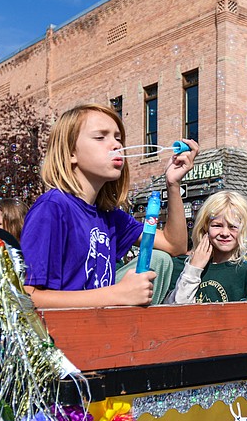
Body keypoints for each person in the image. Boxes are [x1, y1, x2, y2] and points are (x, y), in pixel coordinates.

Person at [19, 104, 197, 308]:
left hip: (98, 334)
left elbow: (175, 245)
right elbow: (26, 297)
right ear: (70, 153)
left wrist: (173, 184)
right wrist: (116, 294)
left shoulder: (109, 216)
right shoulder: (52, 208)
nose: (116, 145)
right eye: (100, 137)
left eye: (118, 138)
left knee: (161, 257)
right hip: (64, 337)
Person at [166, 191, 247, 304]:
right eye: (217, 225)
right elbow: (176, 308)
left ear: (243, 230)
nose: (225, 233)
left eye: (233, 226)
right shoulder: (185, 267)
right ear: (205, 228)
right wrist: (193, 269)